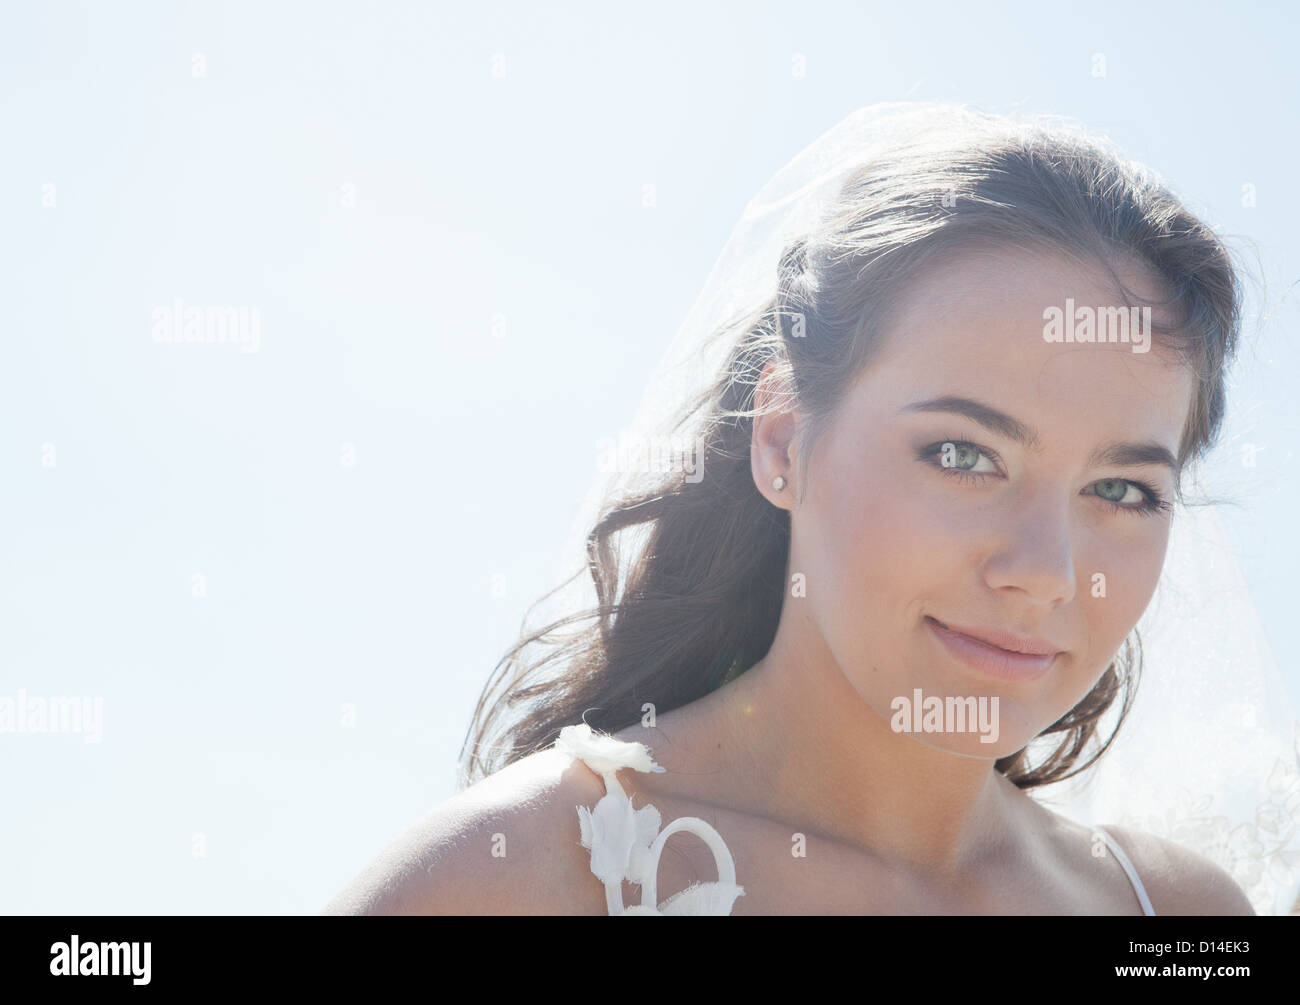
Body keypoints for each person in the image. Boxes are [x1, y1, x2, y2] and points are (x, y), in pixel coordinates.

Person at [325, 103, 1299, 916]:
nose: (1044, 569)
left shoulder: (1175, 915)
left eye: (1121, 490)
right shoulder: (516, 879)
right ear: (783, 437)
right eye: (964, 455)